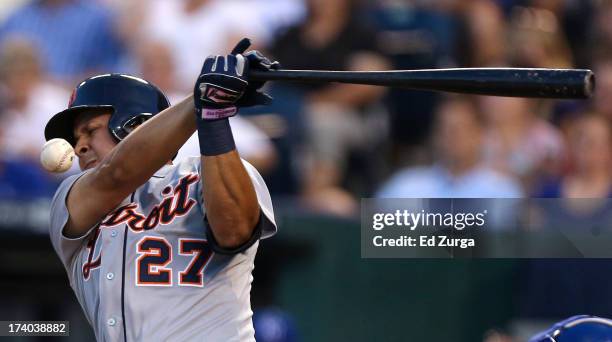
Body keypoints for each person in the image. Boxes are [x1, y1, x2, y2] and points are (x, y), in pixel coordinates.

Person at [45, 39, 278, 341]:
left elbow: (233, 232)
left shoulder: (205, 171)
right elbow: (117, 174)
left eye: (90, 130)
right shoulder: (70, 199)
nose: (79, 147)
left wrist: (213, 116)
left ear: (134, 123)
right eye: (76, 139)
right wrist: (202, 99)